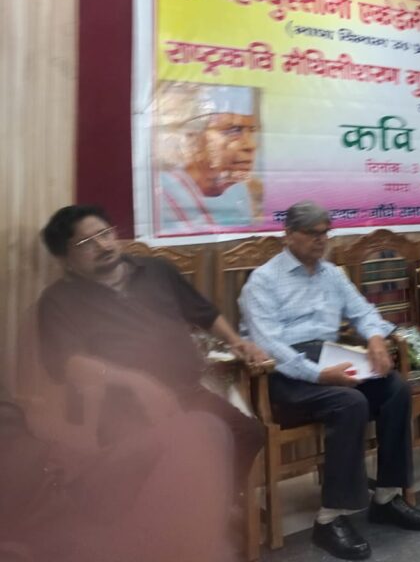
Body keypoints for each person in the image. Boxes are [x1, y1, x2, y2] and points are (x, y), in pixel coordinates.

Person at [239, 201, 420, 561]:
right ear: (289, 235)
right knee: (350, 402)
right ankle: (330, 518)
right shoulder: (263, 281)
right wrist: (318, 375)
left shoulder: (332, 274)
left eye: (325, 233)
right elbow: (269, 347)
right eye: (312, 233)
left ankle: (387, 497)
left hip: (329, 359)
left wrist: (375, 338)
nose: (321, 240)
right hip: (283, 375)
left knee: (395, 389)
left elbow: (364, 312)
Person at [35, 204, 266, 504]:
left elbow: (204, 313)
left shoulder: (157, 271)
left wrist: (237, 342)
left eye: (105, 234)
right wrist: (133, 381)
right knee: (171, 454)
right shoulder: (59, 300)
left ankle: (208, 505)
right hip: (116, 409)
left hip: (186, 393)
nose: (102, 245)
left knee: (248, 433)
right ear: (65, 258)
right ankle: (178, 511)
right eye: (86, 243)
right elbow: (67, 363)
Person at [0, 364, 237, 562]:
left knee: (205, 430)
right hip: (32, 506)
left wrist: (133, 380)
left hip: (64, 465)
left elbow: (26, 424)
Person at [156, 83, 260, 233]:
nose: (251, 145)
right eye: (234, 130)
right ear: (193, 140)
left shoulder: (238, 190)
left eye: (252, 132)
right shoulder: (162, 191)